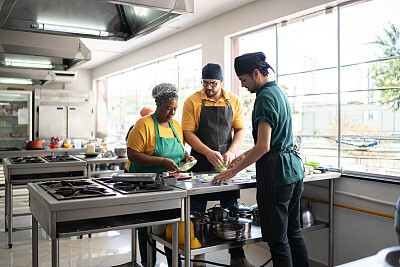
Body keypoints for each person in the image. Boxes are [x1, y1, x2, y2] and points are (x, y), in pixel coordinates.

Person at [213, 52, 309, 267]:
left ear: (256, 73)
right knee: (294, 233)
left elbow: (264, 146)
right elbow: (273, 141)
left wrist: (231, 172)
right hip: (293, 171)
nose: (244, 85)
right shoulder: (278, 92)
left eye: (244, 80)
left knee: (277, 240)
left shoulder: (264, 98)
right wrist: (244, 156)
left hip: (277, 174)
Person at [181, 63, 253, 267]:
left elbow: (239, 130)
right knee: (196, 212)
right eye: (205, 83)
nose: (209, 87)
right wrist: (207, 152)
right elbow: (188, 133)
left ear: (221, 82)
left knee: (232, 211)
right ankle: (198, 256)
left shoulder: (234, 101)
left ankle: (237, 257)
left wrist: (231, 152)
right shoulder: (192, 101)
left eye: (213, 83)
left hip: (226, 166)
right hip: (200, 163)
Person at [126, 83, 195, 267]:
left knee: (171, 226)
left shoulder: (176, 126)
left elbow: (179, 153)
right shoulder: (144, 124)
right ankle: (149, 263)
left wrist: (186, 157)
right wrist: (161, 161)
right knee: (147, 228)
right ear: (158, 105)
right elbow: (132, 155)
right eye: (167, 108)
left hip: (170, 186)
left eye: (175, 109)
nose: (172, 113)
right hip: (145, 186)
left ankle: (175, 264)